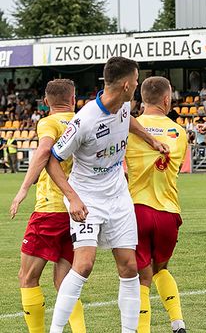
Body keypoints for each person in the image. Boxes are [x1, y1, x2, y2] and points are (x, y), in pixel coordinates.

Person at [46, 57, 169, 333]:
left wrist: (151, 139)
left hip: (117, 195)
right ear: (126, 85)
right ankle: (55, 330)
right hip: (87, 197)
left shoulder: (124, 105)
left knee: (128, 268)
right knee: (84, 264)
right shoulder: (85, 120)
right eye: (136, 81)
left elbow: (129, 122)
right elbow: (52, 160)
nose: (137, 86)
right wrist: (73, 197)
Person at [9, 79, 86, 333]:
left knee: (27, 277)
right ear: (73, 100)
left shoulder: (48, 122)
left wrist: (23, 189)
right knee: (65, 283)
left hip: (49, 210)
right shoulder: (82, 121)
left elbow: (44, 151)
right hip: (77, 212)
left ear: (46, 102)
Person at [125, 77, 188, 333]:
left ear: (142, 99)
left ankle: (143, 329)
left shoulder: (129, 127)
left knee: (141, 276)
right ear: (166, 99)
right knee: (162, 268)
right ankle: (177, 322)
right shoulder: (179, 132)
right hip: (168, 211)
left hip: (137, 209)